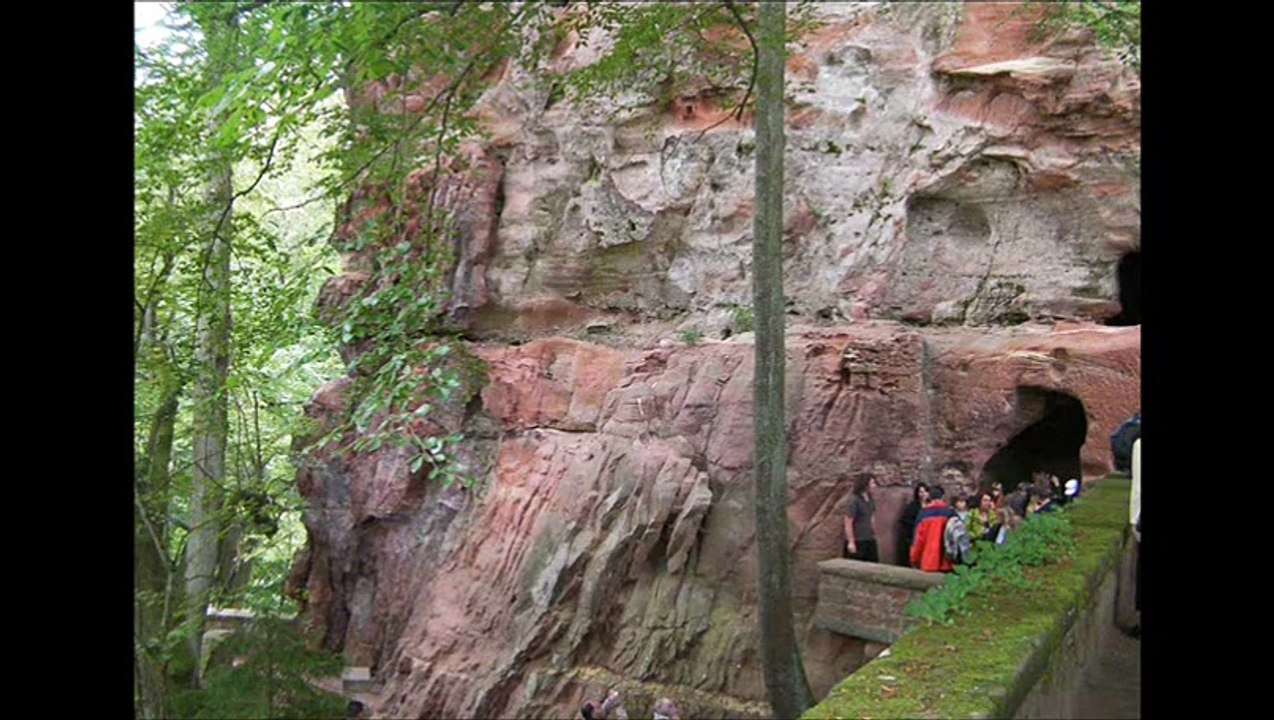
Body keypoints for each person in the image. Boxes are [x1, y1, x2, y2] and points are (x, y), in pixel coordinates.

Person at [910, 485, 956, 572]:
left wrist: (914, 559)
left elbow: (918, 540)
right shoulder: (950, 513)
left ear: (929, 497)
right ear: (943, 497)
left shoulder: (923, 514)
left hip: (928, 562)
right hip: (948, 562)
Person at [843, 473, 879, 562]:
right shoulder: (854, 500)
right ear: (865, 485)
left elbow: (871, 517)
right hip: (858, 540)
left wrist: (874, 531)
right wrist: (851, 541)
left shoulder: (871, 500)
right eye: (872, 483)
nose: (874, 486)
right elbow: (848, 521)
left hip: (869, 538)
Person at [898, 482, 930, 566]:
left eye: (925, 492)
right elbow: (906, 521)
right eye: (921, 492)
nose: (923, 494)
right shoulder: (913, 506)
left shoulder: (930, 505)